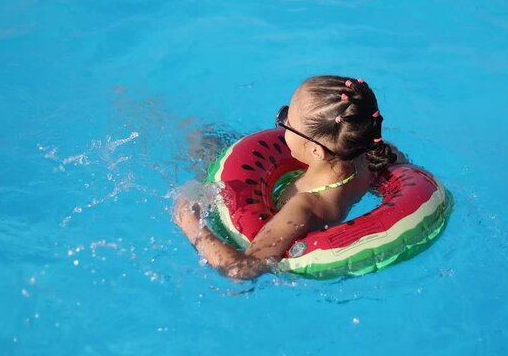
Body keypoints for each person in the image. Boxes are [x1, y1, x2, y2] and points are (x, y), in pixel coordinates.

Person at [174, 75, 407, 279]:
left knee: (203, 140)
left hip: (263, 212)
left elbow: (242, 270)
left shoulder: (305, 205)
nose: (281, 125)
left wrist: (189, 221)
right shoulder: (372, 157)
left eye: (287, 122)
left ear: (317, 151)